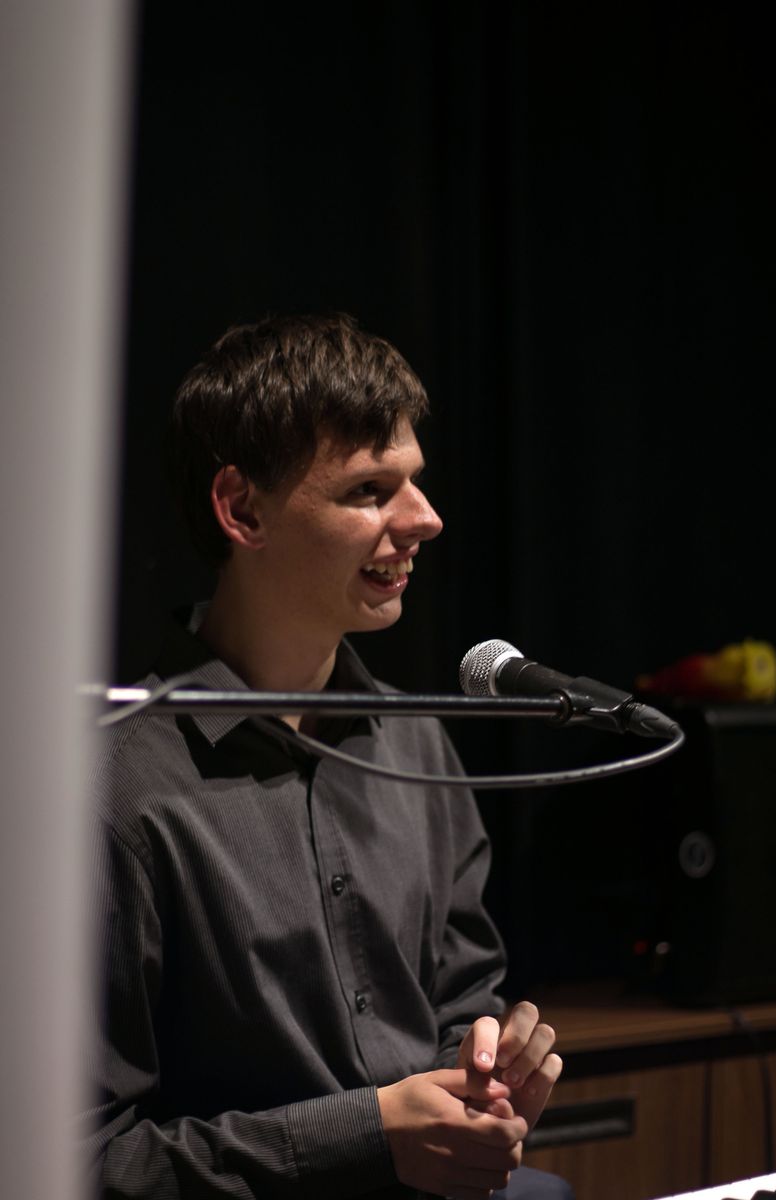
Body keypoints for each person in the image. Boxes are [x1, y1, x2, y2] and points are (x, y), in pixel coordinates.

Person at [83, 312, 572, 1199]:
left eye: (415, 481)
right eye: (369, 490)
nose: (425, 519)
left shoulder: (417, 742)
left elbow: (464, 999)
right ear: (242, 509)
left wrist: (488, 1075)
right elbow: (85, 1163)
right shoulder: (113, 788)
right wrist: (365, 1136)